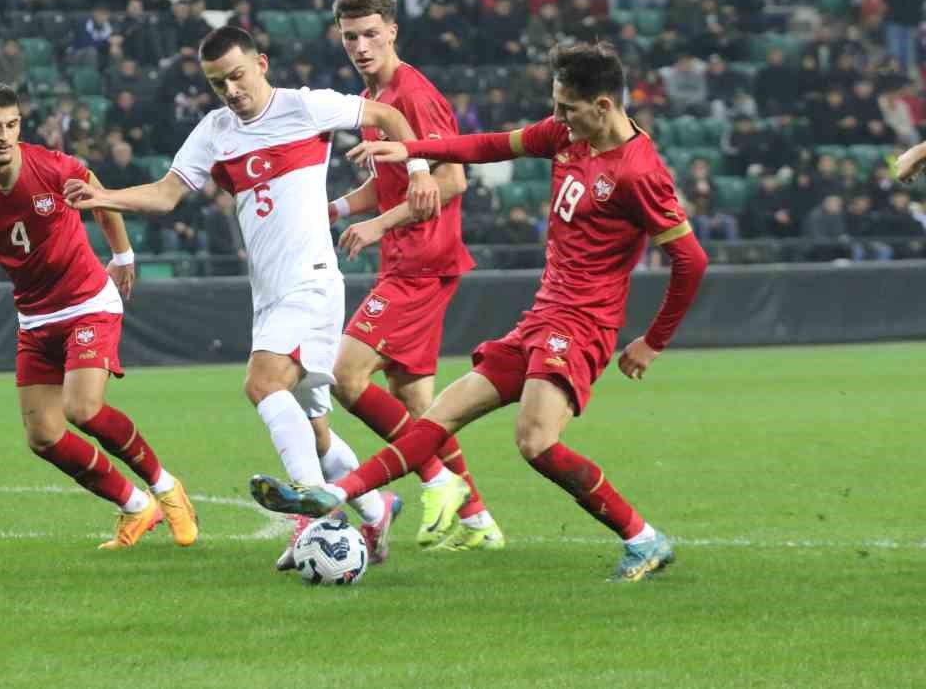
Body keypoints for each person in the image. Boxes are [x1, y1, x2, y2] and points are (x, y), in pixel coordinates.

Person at [248, 41, 709, 583]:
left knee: (535, 442)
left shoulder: (639, 173)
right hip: (541, 316)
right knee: (439, 416)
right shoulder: (566, 136)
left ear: (604, 107)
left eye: (567, 108)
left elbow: (691, 261)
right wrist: (413, 149)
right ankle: (335, 493)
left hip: (583, 325)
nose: (557, 118)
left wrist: (652, 341)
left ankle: (643, 539)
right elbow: (491, 144)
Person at [64, 27, 439, 556]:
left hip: (310, 280)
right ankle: (377, 513)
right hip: (268, 295)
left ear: (261, 63)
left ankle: (315, 520)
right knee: (315, 430)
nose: (232, 91)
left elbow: (389, 117)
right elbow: (167, 194)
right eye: (219, 85)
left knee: (262, 384)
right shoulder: (215, 130)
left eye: (238, 76)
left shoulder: (306, 108)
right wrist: (104, 196)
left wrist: (418, 167)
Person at [0, 81, 198, 550]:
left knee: (83, 409)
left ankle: (166, 487)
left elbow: (101, 199)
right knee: (43, 436)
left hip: (86, 301)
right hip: (35, 317)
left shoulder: (53, 167)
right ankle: (137, 508)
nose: (4, 136)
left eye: (12, 125)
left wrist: (122, 256)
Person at [322, 0, 502, 554]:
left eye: (371, 34)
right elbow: (393, 182)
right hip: (408, 260)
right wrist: (339, 207)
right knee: (418, 404)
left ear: (393, 30)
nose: (361, 45)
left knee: (346, 376)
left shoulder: (414, 96)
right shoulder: (372, 96)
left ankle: (437, 482)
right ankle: (478, 522)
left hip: (421, 263)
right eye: (351, 37)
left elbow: (451, 178)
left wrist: (378, 226)